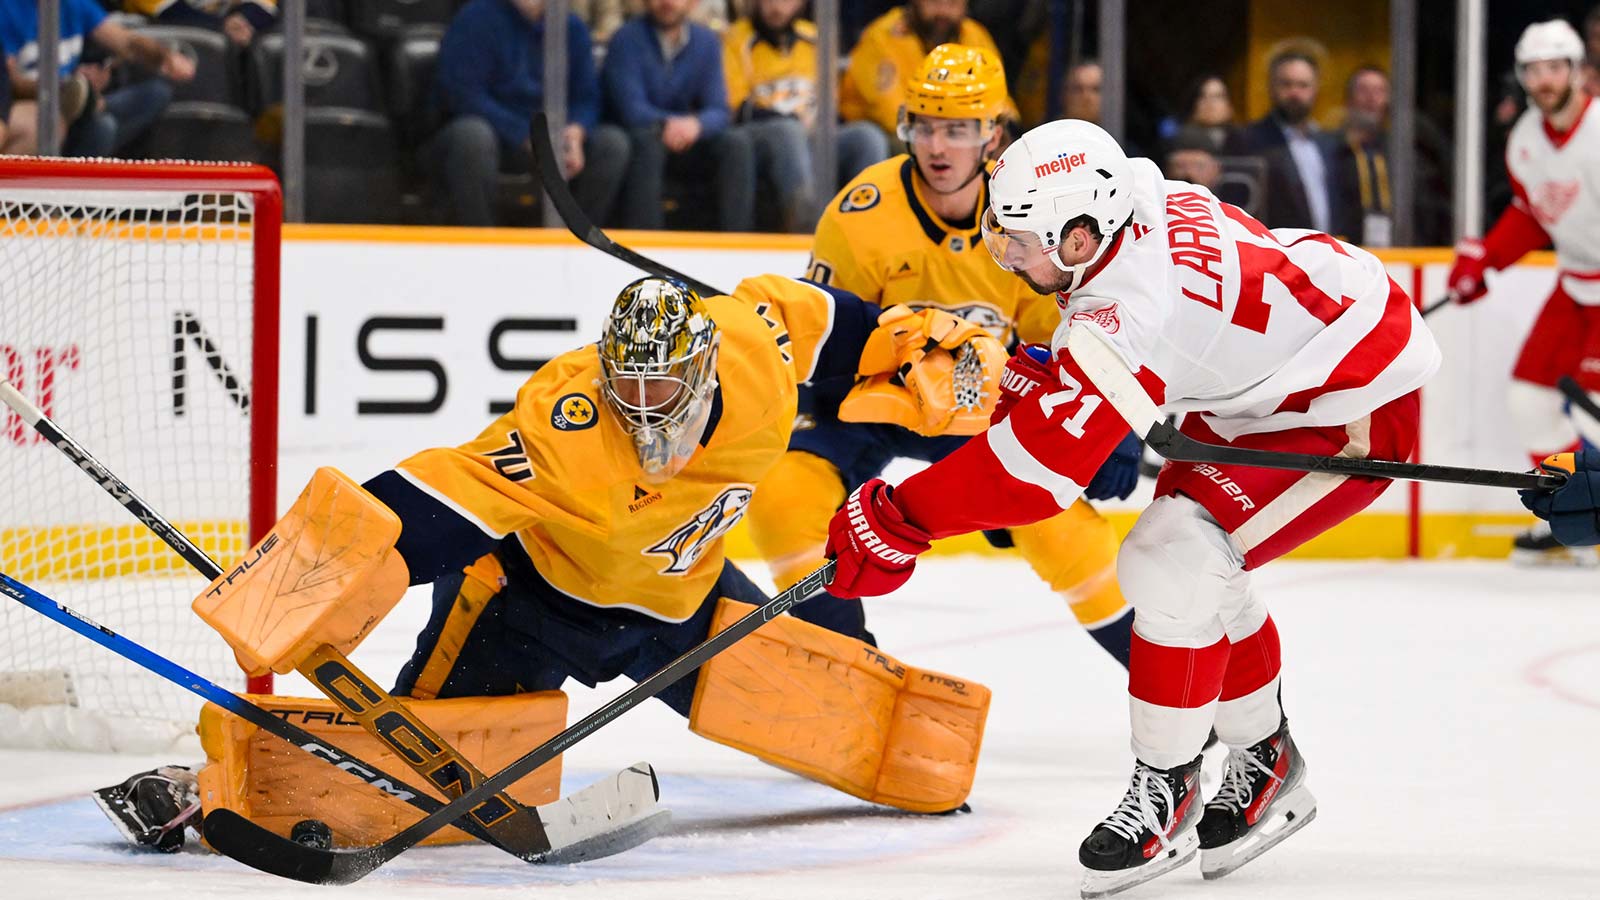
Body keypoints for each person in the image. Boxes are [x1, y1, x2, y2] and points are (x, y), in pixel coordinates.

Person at [106, 274, 1006, 851]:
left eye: (665, 394)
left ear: (703, 374)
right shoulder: (568, 422)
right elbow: (435, 502)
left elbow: (848, 332)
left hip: (678, 606)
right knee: (416, 788)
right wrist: (316, 575)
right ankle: (198, 790)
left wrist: (941, 347)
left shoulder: (758, 350)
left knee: (872, 733)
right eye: (629, 391)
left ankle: (921, 767)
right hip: (528, 605)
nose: (645, 416)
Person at [820, 117, 1440, 896]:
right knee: (1197, 563)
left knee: (1171, 560)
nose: (1005, 255)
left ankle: (1169, 792)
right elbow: (1087, 381)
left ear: (1080, 238)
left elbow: (1034, 477)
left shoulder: (1126, 310)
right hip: (1279, 368)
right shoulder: (1131, 192)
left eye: (1020, 240)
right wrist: (1023, 373)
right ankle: (1266, 758)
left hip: (1350, 397)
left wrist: (898, 518)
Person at [749, 44, 1139, 679]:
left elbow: (1074, 339)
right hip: (875, 405)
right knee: (786, 498)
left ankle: (1168, 681)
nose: (938, 146)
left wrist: (1108, 428)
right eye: (926, 126)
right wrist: (888, 362)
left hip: (988, 408)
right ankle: (846, 677)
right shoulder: (861, 216)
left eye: (957, 128)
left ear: (992, 133)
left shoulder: (1036, 208)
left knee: (1064, 533)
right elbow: (820, 350)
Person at [1446, 19, 1600, 566]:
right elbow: (1533, 213)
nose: (1544, 80)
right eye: (1534, 70)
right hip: (1576, 286)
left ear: (1577, 70)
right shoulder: (1527, 139)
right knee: (1530, 402)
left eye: (1555, 67)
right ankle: (1577, 517)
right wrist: (1484, 258)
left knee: (1593, 410)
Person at [427, 0, 628, 228]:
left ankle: (578, 239)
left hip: (551, 139)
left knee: (611, 143)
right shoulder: (475, 17)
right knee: (472, 135)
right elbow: (462, 94)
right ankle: (481, 242)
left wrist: (576, 130)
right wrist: (524, 134)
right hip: (498, 136)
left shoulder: (572, 27)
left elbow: (587, 96)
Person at [722, 0, 890, 232]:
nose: (777, 7)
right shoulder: (735, 38)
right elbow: (736, 108)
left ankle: (869, 230)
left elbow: (830, 104)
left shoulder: (815, 37)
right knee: (789, 131)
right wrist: (789, 121)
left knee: (867, 137)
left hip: (812, 135)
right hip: (763, 137)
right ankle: (807, 228)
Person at [605, 0, 755, 231]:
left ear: (693, 2)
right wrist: (670, 123)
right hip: (644, 136)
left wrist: (697, 124)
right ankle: (647, 243)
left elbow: (719, 109)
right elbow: (631, 108)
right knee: (647, 143)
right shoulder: (625, 39)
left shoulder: (706, 42)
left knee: (736, 144)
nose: (667, 2)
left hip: (688, 138)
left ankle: (736, 241)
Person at [0, 0, 194, 157]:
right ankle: (72, 198)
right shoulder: (8, 9)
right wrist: (68, 90)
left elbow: (126, 42)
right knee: (102, 127)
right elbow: (9, 82)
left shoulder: (75, 4)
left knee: (156, 93)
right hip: (34, 105)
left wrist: (164, 57)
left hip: (79, 104)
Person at [840, 0, 1006, 148]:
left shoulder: (973, 34)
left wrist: (1003, 127)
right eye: (935, 3)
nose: (943, 12)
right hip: (896, 132)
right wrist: (954, 133)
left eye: (952, 4)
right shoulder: (881, 36)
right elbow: (893, 114)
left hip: (957, 128)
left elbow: (1000, 99)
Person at [1236, 49, 1358, 239]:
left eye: (1303, 85)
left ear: (1316, 89)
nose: (1295, 93)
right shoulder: (1249, 140)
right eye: (1286, 84)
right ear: (1271, 87)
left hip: (1329, 252)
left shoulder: (1330, 143)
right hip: (1275, 254)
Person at [120, 0, 277, 47]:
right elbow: (168, 10)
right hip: (165, 43)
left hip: (236, 35)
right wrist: (223, 26)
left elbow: (265, 5)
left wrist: (244, 19)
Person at [1177, 73, 1239, 154]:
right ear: (1193, 104)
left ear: (1229, 106)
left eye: (1218, 96)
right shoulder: (1182, 139)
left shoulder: (1241, 139)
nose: (1210, 103)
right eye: (1203, 96)